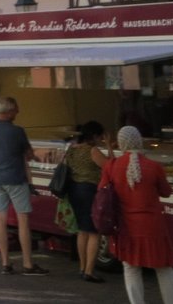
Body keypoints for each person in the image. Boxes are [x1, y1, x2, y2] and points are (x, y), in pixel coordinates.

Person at [107, 126, 173, 303]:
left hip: (126, 226)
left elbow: (103, 191)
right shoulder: (153, 166)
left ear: (121, 143)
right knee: (164, 267)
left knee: (131, 267)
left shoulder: (112, 167)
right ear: (139, 141)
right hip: (153, 226)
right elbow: (166, 192)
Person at [0, 96, 47, 275]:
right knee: (23, 220)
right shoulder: (17, 131)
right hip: (15, 178)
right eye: (16, 110)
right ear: (9, 111)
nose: (18, 112)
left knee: (1, 219)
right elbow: (28, 154)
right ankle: (28, 263)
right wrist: (39, 154)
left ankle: (5, 263)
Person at [66, 120, 111, 283]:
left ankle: (82, 267)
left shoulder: (72, 149)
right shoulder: (92, 151)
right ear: (94, 136)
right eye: (100, 136)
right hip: (89, 191)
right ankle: (89, 271)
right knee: (94, 232)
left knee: (82, 230)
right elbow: (110, 167)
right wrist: (109, 147)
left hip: (74, 190)